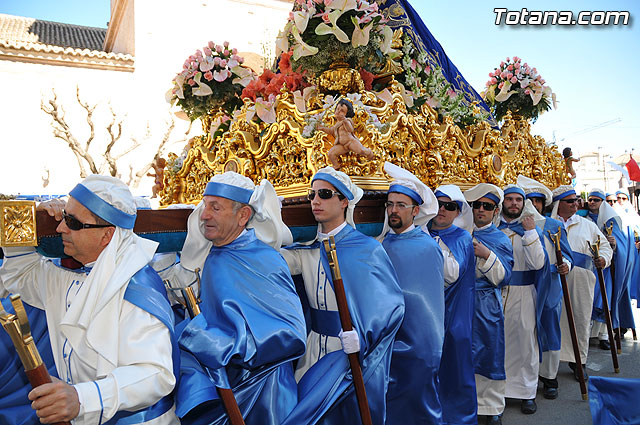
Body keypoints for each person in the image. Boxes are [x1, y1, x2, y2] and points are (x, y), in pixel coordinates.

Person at [0, 175, 178, 424]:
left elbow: (155, 374)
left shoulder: (136, 288)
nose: (61, 228)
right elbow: (20, 273)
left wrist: (82, 398)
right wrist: (31, 216)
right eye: (64, 217)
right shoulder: (74, 277)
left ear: (107, 235)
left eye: (72, 222)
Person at [161, 172, 307, 424]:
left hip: (264, 398)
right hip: (220, 393)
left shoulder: (265, 260)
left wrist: (220, 344)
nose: (204, 215)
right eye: (205, 205)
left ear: (243, 216)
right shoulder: (211, 256)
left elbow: (292, 334)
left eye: (215, 208)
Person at [280, 167, 404, 425]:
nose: (315, 201)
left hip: (349, 351)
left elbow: (392, 306)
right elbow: (270, 261)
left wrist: (363, 336)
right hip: (312, 351)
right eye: (311, 194)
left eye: (324, 194)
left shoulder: (368, 249)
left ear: (344, 201)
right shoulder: (306, 250)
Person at [378, 162, 444, 424]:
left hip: (419, 346)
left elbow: (430, 305)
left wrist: (425, 348)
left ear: (416, 211)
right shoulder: (381, 244)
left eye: (401, 205)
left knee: (418, 405)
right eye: (390, 204)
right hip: (386, 341)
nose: (394, 210)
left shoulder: (427, 247)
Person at [518, 175, 572, 400]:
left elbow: (567, 254)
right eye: (529, 200)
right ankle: (523, 376)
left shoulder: (555, 226)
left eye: (537, 200)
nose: (533, 205)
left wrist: (565, 265)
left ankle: (549, 376)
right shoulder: (514, 225)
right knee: (523, 329)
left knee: (549, 326)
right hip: (522, 283)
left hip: (549, 282)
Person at [550, 185, 612, 381]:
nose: (576, 204)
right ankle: (549, 365)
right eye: (570, 201)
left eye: (577, 200)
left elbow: (604, 247)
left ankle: (579, 361)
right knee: (553, 320)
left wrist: (603, 259)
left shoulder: (588, 226)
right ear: (559, 204)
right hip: (552, 278)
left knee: (580, 319)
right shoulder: (549, 224)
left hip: (581, 279)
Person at [464, 183, 513, 425]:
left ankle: (492, 405)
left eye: (487, 206)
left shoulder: (500, 238)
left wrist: (486, 255)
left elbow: (505, 276)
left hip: (486, 304)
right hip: (461, 302)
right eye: (477, 205)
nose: (481, 210)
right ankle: (467, 401)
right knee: (462, 352)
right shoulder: (461, 232)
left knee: (489, 351)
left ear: (495, 211)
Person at [428, 184, 477, 425]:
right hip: (426, 316)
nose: (443, 210)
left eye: (450, 206)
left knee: (456, 372)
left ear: (458, 212)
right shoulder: (420, 231)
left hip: (454, 317)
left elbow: (452, 273)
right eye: (439, 204)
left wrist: (428, 242)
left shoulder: (462, 238)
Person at [497, 184, 548, 415]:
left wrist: (530, 233)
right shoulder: (491, 228)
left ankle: (527, 393)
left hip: (524, 292)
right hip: (495, 293)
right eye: (509, 199)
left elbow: (538, 263)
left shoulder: (531, 229)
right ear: (502, 203)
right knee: (498, 343)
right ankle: (497, 393)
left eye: (518, 200)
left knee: (526, 342)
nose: (514, 203)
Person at [585, 188, 633, 352]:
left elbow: (622, 245)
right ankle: (588, 335)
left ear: (602, 203)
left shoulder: (611, 220)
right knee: (588, 300)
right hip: (588, 266)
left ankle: (604, 336)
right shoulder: (583, 219)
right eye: (590, 199)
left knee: (604, 300)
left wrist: (614, 244)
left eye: (596, 200)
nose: (592, 203)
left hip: (605, 269)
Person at [318, 99, 375, 170]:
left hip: (350, 142)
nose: (338, 111)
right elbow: (331, 131)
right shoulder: (337, 124)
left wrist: (345, 121)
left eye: (342, 111)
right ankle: (336, 165)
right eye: (337, 109)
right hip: (342, 146)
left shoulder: (347, 121)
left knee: (361, 151)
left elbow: (350, 129)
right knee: (331, 153)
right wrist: (323, 128)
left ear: (346, 114)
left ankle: (369, 153)